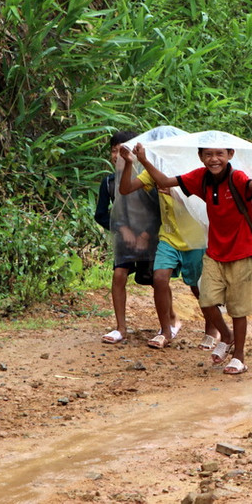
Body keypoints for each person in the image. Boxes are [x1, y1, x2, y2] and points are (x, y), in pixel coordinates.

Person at [126, 140, 252, 375]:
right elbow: (163, 182)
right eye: (208, 154)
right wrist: (143, 160)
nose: (214, 159)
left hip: (242, 252)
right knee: (207, 301)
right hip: (214, 252)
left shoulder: (238, 178)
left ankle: (239, 356)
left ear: (230, 154)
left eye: (219, 154)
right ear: (201, 157)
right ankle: (227, 335)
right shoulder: (200, 177)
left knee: (237, 308)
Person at [119, 156, 220, 351]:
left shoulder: (190, 170)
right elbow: (125, 189)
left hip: (195, 239)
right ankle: (166, 331)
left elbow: (203, 203)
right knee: (159, 278)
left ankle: (211, 330)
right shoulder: (152, 172)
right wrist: (130, 162)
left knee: (198, 287)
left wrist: (176, 195)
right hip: (168, 236)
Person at [94, 130, 161, 344]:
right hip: (124, 241)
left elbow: (158, 211)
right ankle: (121, 328)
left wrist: (144, 234)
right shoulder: (108, 183)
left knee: (157, 281)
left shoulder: (147, 180)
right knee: (119, 276)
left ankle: (169, 323)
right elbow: (101, 214)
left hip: (150, 238)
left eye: (123, 150)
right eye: (114, 151)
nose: (117, 155)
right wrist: (122, 230)